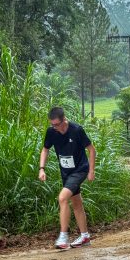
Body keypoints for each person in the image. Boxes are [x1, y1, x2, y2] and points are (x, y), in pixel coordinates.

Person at [39, 107, 96, 249]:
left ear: (64, 119)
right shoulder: (51, 132)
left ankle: (63, 237)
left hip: (80, 169)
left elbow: (91, 150)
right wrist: (42, 169)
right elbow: (45, 150)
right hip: (66, 172)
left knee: (62, 198)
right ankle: (85, 236)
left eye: (57, 124)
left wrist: (91, 170)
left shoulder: (76, 130)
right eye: (52, 124)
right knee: (76, 203)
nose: (55, 127)